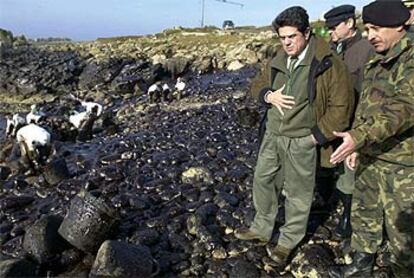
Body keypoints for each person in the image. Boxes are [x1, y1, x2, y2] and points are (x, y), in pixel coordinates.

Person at [235, 6, 354, 270]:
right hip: (273, 135)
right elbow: (256, 84)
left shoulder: (329, 63)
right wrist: (268, 95)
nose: (287, 42)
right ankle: (261, 228)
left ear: (307, 33)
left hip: (303, 139)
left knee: (299, 195)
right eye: (282, 37)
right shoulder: (279, 58)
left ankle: (287, 242)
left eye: (292, 36)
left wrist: (315, 137)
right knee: (263, 180)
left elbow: (342, 107)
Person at [329, 1, 414, 277]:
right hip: (370, 156)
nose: (370, 35)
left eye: (376, 28)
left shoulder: (411, 60)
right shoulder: (375, 63)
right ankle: (360, 267)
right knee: (364, 216)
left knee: (403, 233)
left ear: (399, 26)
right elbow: (366, 107)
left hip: (401, 164)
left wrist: (360, 136)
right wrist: (356, 142)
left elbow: (402, 109)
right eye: (367, 28)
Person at [323, 4, 374, 238]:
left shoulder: (366, 50)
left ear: (350, 24)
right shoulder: (332, 49)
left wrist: (360, 128)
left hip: (354, 121)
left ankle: (348, 215)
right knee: (331, 164)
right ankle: (328, 199)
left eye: (334, 27)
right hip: (332, 117)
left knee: (350, 171)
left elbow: (368, 92)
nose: (330, 32)